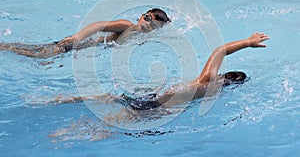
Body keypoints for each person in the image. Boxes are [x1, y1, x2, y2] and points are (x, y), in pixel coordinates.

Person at [53, 32, 270, 110]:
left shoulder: (209, 81)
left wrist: (248, 42)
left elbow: (220, 51)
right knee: (113, 125)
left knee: (112, 98)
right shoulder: (210, 85)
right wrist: (249, 42)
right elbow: (220, 50)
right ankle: (66, 132)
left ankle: (63, 99)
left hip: (153, 97)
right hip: (155, 105)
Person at [0, 8, 171, 58]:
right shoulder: (127, 26)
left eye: (154, 26)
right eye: (148, 18)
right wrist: (76, 38)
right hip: (74, 46)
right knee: (38, 54)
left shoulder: (140, 37)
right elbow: (99, 26)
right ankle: (4, 46)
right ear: (141, 16)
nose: (148, 24)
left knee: (37, 52)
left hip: (78, 50)